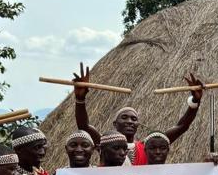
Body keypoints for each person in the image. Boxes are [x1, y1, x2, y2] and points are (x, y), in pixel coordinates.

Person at [72, 64, 205, 164]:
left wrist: (195, 101)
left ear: (137, 124)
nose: (130, 121)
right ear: (115, 124)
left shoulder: (149, 146)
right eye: (124, 117)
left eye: (134, 119)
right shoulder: (106, 144)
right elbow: (84, 126)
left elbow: (181, 126)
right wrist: (80, 98)